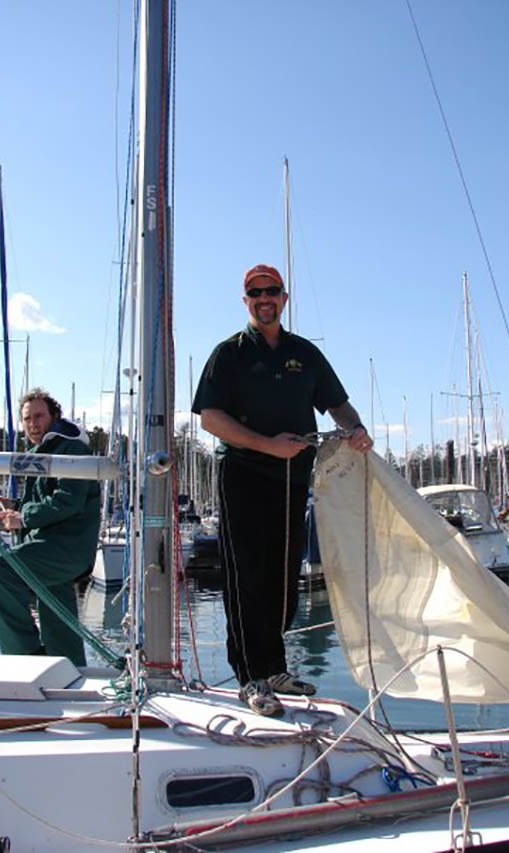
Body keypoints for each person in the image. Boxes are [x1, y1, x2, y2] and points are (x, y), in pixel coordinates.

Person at [192, 263, 373, 715]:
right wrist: (267, 445)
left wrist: (356, 429)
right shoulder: (228, 354)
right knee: (246, 577)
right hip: (243, 477)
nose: (264, 299)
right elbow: (210, 418)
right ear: (246, 301)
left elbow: (338, 405)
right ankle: (250, 678)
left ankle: (275, 669)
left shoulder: (304, 354)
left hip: (292, 480)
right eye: (255, 293)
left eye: (271, 291)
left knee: (284, 578)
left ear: (284, 298)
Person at [0, 388, 100, 666]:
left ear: (54, 416)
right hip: (52, 548)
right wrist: (10, 506)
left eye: (39, 416)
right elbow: (41, 501)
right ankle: (70, 667)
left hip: (65, 548)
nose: (33, 424)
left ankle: (25, 657)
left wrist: (23, 517)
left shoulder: (71, 450)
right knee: (56, 609)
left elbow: (68, 500)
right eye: (27, 419)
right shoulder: (42, 452)